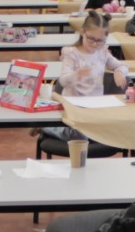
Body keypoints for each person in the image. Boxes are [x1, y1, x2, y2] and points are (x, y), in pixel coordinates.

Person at [43, 11, 128, 145]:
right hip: (74, 106)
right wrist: (76, 75)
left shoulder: (102, 52)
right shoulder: (71, 53)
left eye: (100, 40)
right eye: (91, 39)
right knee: (81, 136)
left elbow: (122, 66)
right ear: (82, 32)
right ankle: (47, 128)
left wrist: (119, 71)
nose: (94, 44)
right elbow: (63, 80)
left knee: (113, 130)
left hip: (95, 107)